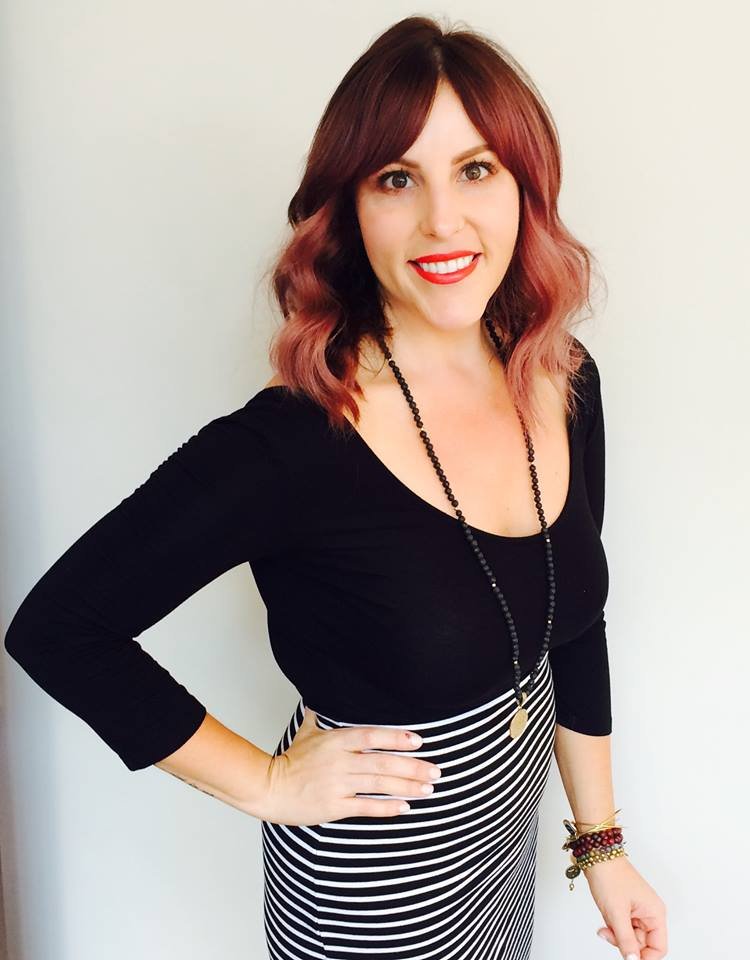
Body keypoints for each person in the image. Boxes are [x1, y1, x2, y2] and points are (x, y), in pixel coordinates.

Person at [3, 14, 668, 960]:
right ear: (350, 208)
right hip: (371, 892)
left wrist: (601, 847)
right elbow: (59, 628)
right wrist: (268, 784)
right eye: (397, 178)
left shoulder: (564, 380)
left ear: (526, 187)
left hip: (507, 846)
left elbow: (576, 624)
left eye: (477, 169)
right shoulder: (292, 445)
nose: (443, 220)